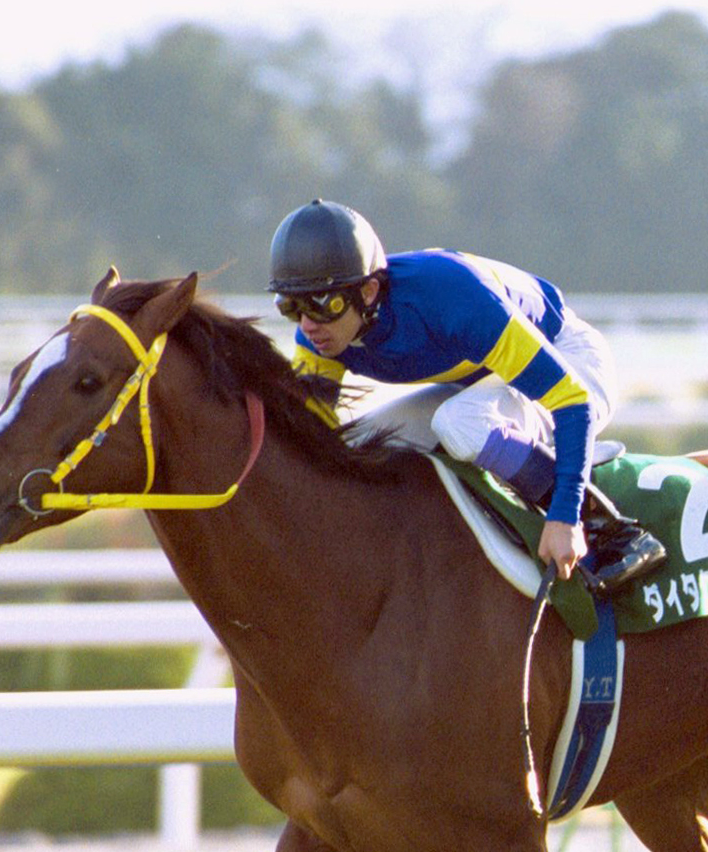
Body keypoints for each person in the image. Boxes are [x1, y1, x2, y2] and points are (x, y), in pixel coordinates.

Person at [267, 198, 665, 595]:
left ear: (369, 291)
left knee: (459, 423)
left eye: (323, 303)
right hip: (483, 387)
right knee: (352, 447)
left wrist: (564, 517)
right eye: (292, 306)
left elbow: (572, 400)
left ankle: (610, 528)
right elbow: (308, 443)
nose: (308, 325)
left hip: (571, 362)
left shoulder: (451, 298)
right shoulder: (318, 336)